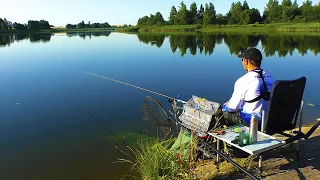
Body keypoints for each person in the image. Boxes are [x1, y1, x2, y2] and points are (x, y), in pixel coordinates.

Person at [222, 47, 274, 128]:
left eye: (242, 60)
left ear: (246, 61)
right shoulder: (270, 77)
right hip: (269, 120)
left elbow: (232, 108)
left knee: (223, 113)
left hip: (253, 122)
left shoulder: (243, 81)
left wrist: (225, 106)